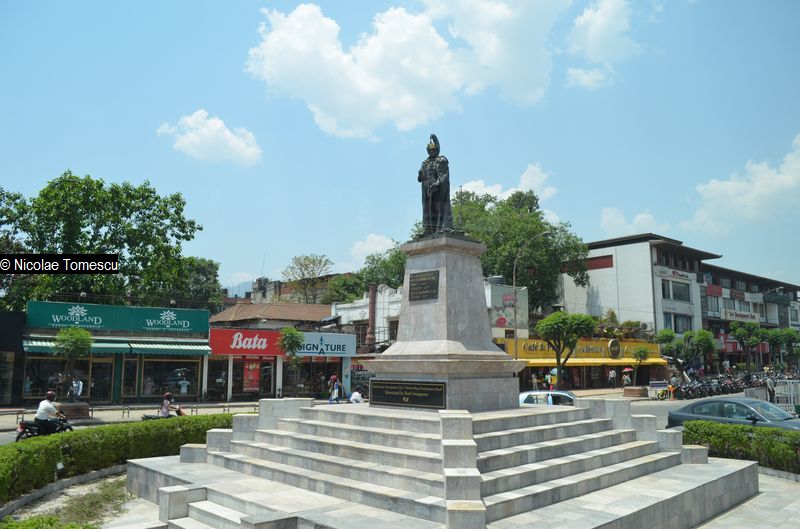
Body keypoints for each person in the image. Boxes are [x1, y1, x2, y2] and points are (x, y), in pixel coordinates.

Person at [417, 134, 453, 235]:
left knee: (439, 207)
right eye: (430, 150)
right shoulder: (425, 162)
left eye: (433, 150)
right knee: (427, 209)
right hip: (426, 190)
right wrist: (420, 175)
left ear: (437, 150)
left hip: (438, 189)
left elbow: (444, 175)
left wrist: (437, 184)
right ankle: (429, 229)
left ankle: (442, 227)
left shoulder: (441, 160)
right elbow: (420, 178)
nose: (431, 152)